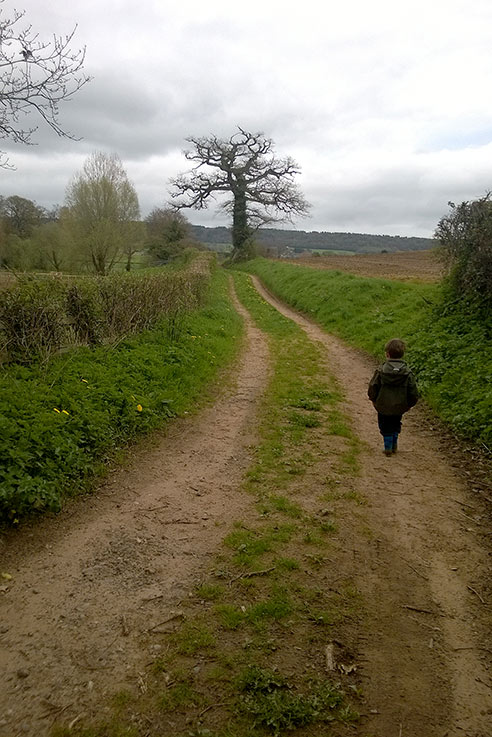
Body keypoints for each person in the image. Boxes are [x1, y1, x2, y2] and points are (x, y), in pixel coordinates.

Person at [368, 338, 419, 456]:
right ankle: (394, 444)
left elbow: (373, 386)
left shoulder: (381, 371)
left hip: (383, 404)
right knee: (396, 423)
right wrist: (410, 403)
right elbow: (413, 390)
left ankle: (388, 447)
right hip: (400, 405)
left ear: (387, 354)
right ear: (402, 354)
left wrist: (373, 399)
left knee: (384, 424)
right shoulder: (407, 373)